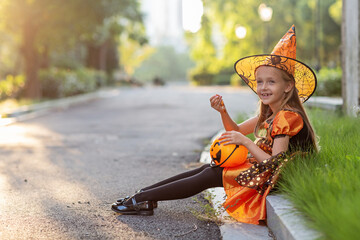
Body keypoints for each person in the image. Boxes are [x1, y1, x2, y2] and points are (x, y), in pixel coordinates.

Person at [111, 25, 318, 224]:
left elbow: (275, 163)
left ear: (288, 86)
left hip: (275, 178)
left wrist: (246, 143)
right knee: (209, 169)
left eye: (271, 82)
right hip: (265, 171)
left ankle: (141, 199)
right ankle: (144, 195)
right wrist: (223, 111)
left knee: (211, 174)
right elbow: (235, 131)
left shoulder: (288, 117)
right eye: (260, 82)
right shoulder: (272, 113)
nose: (263, 87)